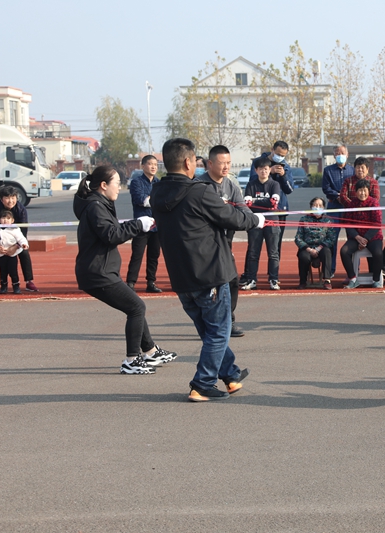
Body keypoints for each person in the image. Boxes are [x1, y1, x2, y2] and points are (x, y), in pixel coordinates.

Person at [151, 138, 263, 401]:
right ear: (188, 162)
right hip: (209, 272)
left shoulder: (157, 192)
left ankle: (230, 374)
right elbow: (231, 217)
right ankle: (202, 384)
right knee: (219, 331)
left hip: (181, 275)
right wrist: (255, 220)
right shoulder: (199, 192)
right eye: (195, 161)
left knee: (209, 330)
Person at [73, 165, 176, 375]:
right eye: (117, 183)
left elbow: (112, 230)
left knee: (134, 306)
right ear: (104, 185)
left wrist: (136, 224)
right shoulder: (95, 206)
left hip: (101, 270)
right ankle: (131, 360)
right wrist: (138, 225)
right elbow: (111, 235)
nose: (120, 188)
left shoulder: (99, 204)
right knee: (136, 307)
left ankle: (150, 351)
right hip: (97, 273)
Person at [195, 145, 246, 337]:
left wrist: (253, 220)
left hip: (224, 242)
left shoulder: (231, 185)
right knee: (210, 285)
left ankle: (228, 321)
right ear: (210, 163)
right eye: (222, 163)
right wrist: (219, 209)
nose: (226, 167)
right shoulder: (198, 186)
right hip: (204, 244)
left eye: (229, 163)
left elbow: (243, 210)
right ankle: (209, 323)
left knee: (232, 280)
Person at [0, 186, 38, 293]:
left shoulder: (21, 209)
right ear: (1, 199)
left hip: (15, 240)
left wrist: (16, 246)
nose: (10, 201)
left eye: (13, 197)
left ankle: (29, 281)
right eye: (7, 198)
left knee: (24, 253)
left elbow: (23, 230)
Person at [240, 158, 282, 290]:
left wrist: (255, 201)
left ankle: (273, 279)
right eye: (261, 169)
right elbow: (247, 204)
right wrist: (263, 202)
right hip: (255, 222)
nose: (263, 171)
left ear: (270, 170)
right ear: (256, 170)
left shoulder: (275, 184)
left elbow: (273, 203)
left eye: (266, 169)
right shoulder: (251, 185)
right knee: (253, 252)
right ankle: (251, 279)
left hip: (272, 221)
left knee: (273, 253)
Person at [250, 141, 294, 257]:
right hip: (260, 209)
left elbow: (289, 189)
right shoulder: (259, 162)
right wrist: (269, 172)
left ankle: (274, 268)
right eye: (278, 154)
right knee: (254, 245)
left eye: (283, 155)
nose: (280, 157)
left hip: (279, 209)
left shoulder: (285, 166)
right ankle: (251, 268)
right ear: (272, 150)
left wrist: (283, 176)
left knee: (276, 245)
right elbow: (252, 181)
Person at [126, 155, 162, 293]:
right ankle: (131, 282)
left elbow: (161, 201)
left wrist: (152, 200)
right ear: (143, 166)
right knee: (137, 255)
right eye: (150, 164)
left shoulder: (159, 183)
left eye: (155, 164)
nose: (153, 167)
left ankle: (151, 282)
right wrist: (155, 200)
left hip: (156, 225)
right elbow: (142, 200)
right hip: (141, 225)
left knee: (154, 255)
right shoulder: (136, 182)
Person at [340, 179, 384, 289]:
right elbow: (347, 224)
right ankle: (353, 279)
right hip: (356, 237)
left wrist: (366, 239)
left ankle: (376, 279)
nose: (362, 193)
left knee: (378, 253)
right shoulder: (351, 204)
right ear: (355, 192)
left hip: (373, 237)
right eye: (360, 190)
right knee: (344, 251)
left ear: (368, 191)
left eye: (365, 190)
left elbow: (377, 224)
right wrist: (357, 237)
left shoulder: (374, 203)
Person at [321, 144, 355, 274]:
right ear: (334, 155)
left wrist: (345, 197)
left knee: (352, 238)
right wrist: (337, 196)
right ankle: (330, 270)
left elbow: (356, 187)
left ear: (347, 154)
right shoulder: (328, 170)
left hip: (349, 208)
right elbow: (326, 188)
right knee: (331, 239)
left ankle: (352, 271)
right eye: (337, 153)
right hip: (334, 207)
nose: (340, 155)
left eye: (342, 153)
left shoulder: (352, 170)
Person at [0, 210, 28, 294]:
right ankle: (3, 286)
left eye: (8, 218)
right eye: (3, 218)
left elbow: (21, 238)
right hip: (0, 254)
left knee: (13, 271)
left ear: (12, 220)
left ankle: (16, 286)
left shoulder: (15, 229)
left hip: (12, 254)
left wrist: (24, 244)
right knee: (3, 271)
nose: (5, 220)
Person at [295, 197, 334, 290]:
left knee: (327, 252)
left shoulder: (328, 220)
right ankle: (303, 281)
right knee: (303, 257)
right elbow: (298, 238)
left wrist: (319, 248)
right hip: (307, 248)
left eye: (320, 205)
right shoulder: (304, 219)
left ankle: (327, 280)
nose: (317, 207)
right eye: (315, 205)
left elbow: (331, 238)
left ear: (323, 208)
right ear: (311, 207)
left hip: (322, 248)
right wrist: (309, 249)